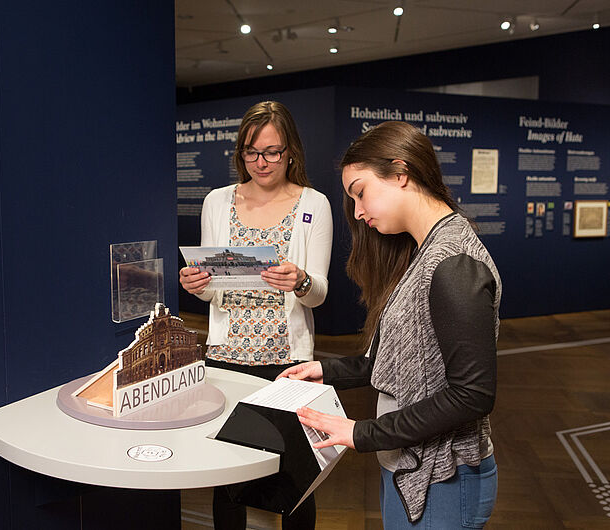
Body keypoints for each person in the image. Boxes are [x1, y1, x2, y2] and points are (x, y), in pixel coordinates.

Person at [279, 121, 501, 529]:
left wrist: (362, 432)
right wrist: (326, 371)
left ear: (400, 173)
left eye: (361, 192)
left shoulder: (452, 262)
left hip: (442, 477)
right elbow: (393, 360)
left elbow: (472, 395)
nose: (359, 212)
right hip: (411, 468)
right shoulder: (423, 251)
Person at [179, 101, 332, 530]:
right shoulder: (217, 201)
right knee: (228, 474)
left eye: (272, 152)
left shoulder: (314, 204)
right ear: (240, 152)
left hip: (288, 361)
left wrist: (300, 280)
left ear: (291, 153)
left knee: (295, 474)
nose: (261, 163)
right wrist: (197, 286)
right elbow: (213, 285)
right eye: (251, 152)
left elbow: (318, 294)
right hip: (226, 356)